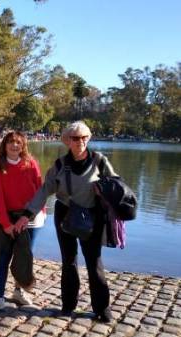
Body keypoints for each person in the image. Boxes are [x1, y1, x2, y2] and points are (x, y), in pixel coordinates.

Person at [14, 121, 117, 323]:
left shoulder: (100, 161)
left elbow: (116, 184)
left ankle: (102, 308)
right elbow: (44, 190)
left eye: (84, 137)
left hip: (92, 216)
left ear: (88, 138)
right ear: (68, 141)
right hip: (65, 216)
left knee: (94, 262)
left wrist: (105, 190)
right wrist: (28, 214)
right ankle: (68, 305)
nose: (80, 142)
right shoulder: (60, 165)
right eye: (75, 138)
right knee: (68, 262)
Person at [0, 131, 44, 315]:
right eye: (11, 142)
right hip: (8, 218)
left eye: (18, 142)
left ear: (23, 145)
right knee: (3, 257)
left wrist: (31, 215)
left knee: (24, 257)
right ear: (5, 144)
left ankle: (19, 292)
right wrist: (6, 223)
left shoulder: (31, 163)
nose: (14, 145)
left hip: (31, 218)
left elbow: (40, 191)